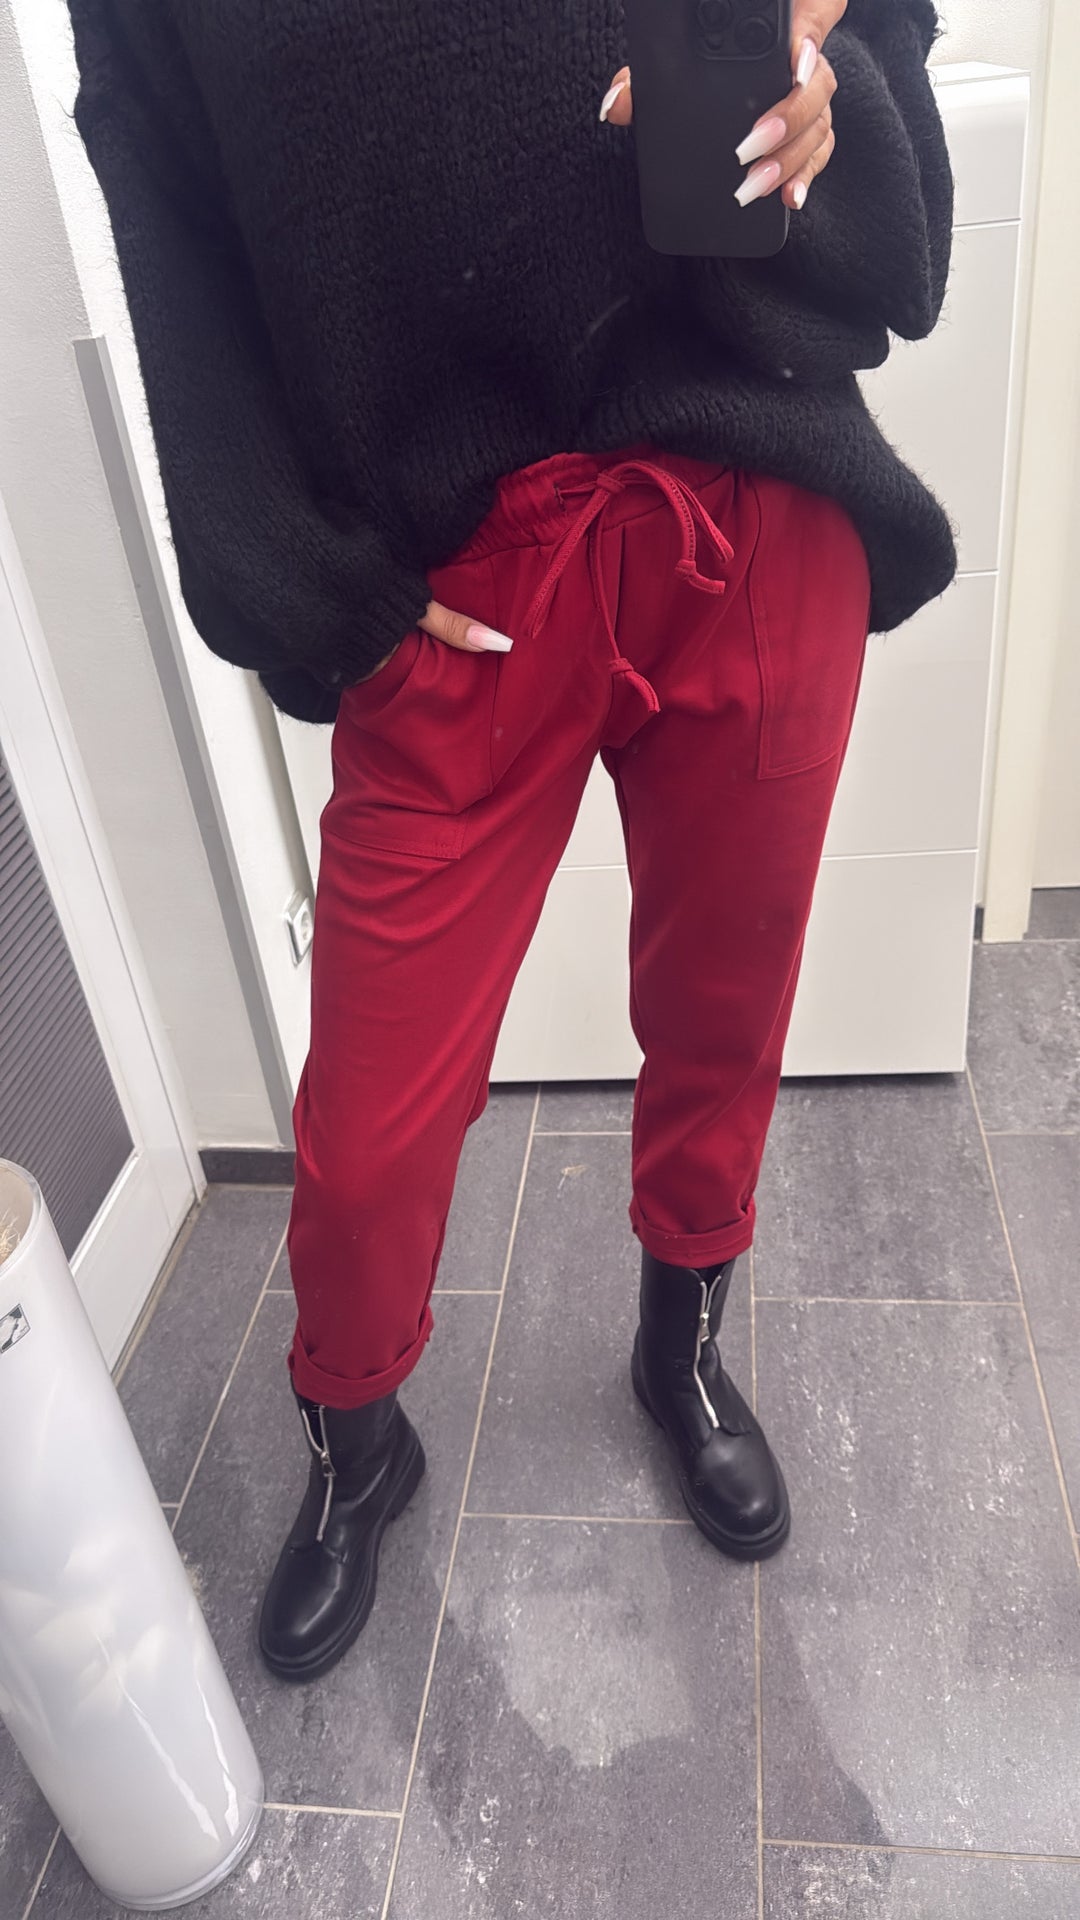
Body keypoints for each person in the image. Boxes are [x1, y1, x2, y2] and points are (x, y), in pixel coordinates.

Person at [69, 0, 955, 1683]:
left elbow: (875, 25)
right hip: (454, 586)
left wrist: (833, 105)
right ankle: (358, 1440)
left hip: (746, 505)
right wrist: (302, 585)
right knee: (367, 1128)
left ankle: (680, 1345)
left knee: (725, 1008)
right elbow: (165, 198)